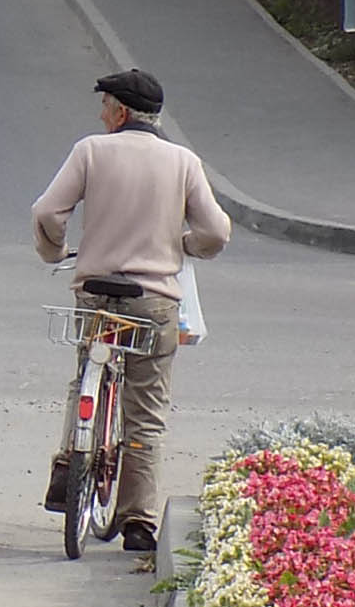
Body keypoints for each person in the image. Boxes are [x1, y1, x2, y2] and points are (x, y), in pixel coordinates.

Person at [30, 70, 232, 553]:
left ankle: (69, 469)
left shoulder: (91, 152)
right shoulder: (183, 162)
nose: (101, 115)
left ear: (121, 111)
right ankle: (138, 521)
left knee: (87, 368)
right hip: (153, 301)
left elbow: (46, 213)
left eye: (105, 106)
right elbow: (217, 232)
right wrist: (185, 244)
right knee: (146, 410)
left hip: (97, 293)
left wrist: (54, 252)